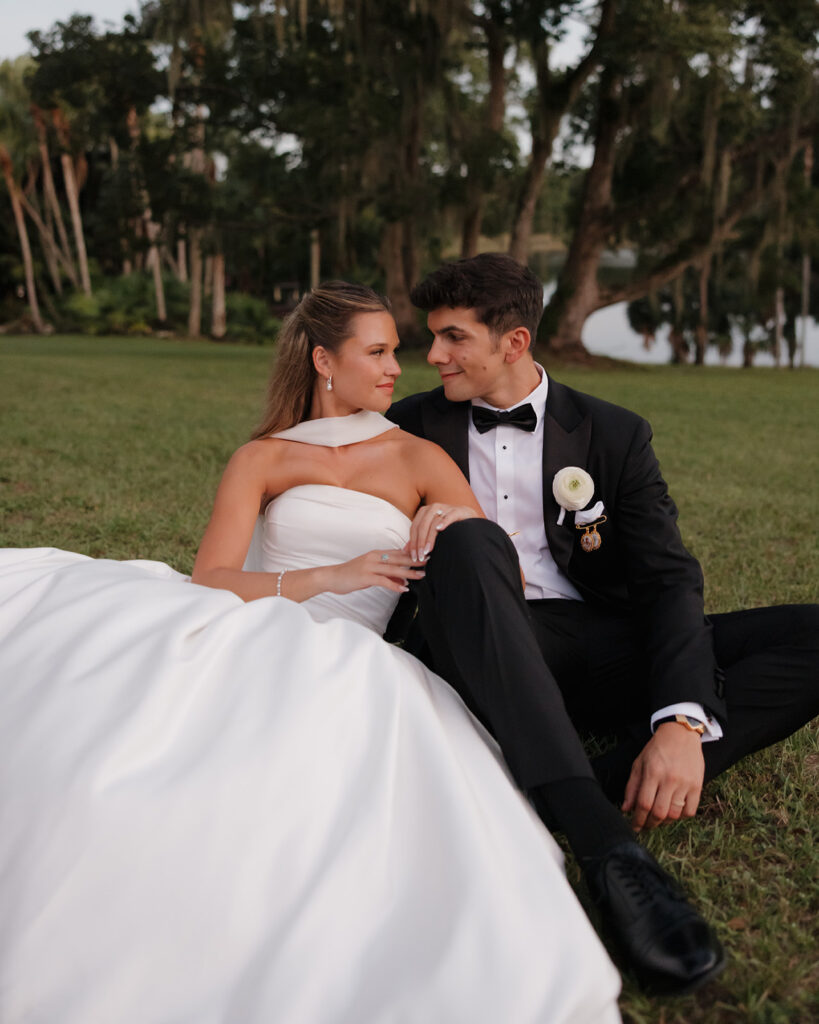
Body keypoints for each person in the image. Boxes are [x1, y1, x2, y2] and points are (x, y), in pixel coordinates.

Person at [0, 282, 622, 1024]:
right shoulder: (262, 457)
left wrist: (454, 520)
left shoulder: (419, 457)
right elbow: (211, 579)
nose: (396, 367)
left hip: (354, 651)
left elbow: (502, 587)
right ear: (325, 361)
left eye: (395, 351)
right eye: (378, 352)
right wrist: (330, 576)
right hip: (255, 621)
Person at [386, 252, 819, 995]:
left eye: (454, 337)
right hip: (480, 646)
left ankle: (571, 783)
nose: (434, 355)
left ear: (514, 343)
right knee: (468, 541)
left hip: (597, 643)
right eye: (434, 337)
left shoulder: (613, 433)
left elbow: (666, 579)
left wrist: (680, 723)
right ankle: (603, 841)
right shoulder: (409, 425)